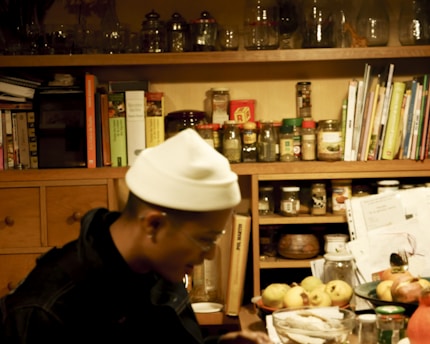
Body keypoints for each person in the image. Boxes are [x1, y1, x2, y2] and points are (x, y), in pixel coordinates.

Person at [0, 128, 273, 344]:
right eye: (205, 239)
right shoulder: (47, 310)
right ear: (153, 225)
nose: (211, 253)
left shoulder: (158, 265)